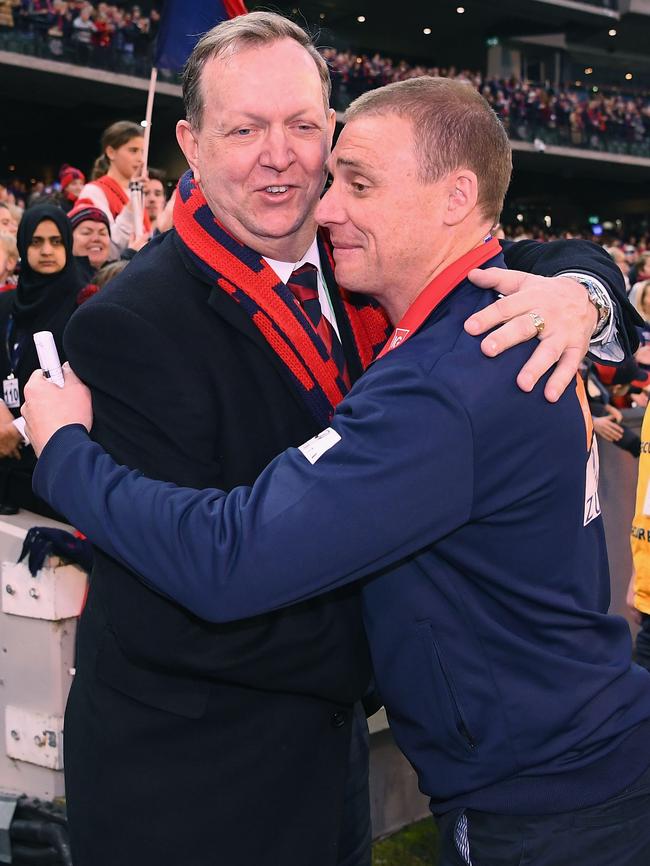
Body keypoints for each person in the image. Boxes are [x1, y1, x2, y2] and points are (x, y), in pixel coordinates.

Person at [20, 13, 642, 866]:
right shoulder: (131, 324)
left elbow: (533, 250)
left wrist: (587, 295)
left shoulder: (379, 262)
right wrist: (64, 455)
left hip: (372, 764)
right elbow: (197, 583)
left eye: (305, 129)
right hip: (200, 783)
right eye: (244, 129)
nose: (284, 158)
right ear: (191, 147)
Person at [0, 204, 83, 516]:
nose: (47, 250)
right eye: (36, 242)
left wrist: (19, 430)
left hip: (50, 468)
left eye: (56, 241)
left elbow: (83, 387)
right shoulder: (6, 302)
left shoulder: (84, 304)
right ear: (22, 245)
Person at [75, 119, 149, 257]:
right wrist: (133, 201)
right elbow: (106, 247)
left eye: (142, 152)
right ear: (111, 152)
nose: (140, 159)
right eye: (133, 151)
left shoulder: (138, 191)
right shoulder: (93, 192)